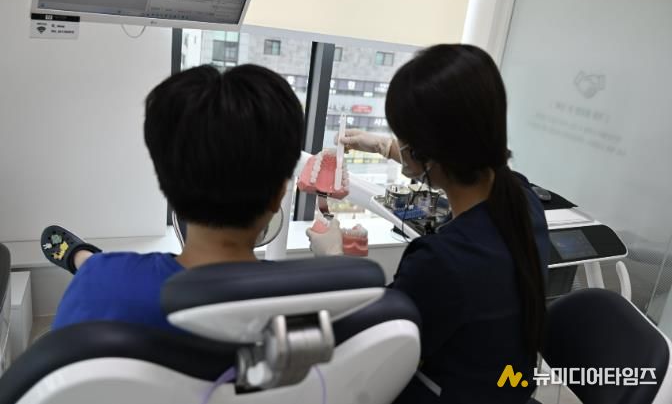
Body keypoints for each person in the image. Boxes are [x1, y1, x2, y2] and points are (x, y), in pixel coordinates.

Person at [307, 44, 550, 403]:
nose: (398, 145)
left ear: (427, 153)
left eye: (402, 139)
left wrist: (334, 263)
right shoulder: (524, 200)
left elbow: (372, 341)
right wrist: (387, 148)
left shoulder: (441, 263)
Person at [41, 64, 304, 331]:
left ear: (166, 185)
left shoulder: (96, 288)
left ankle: (80, 257)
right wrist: (327, 251)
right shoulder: (304, 302)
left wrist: (94, 272)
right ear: (279, 195)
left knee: (96, 269)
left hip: (106, 281)